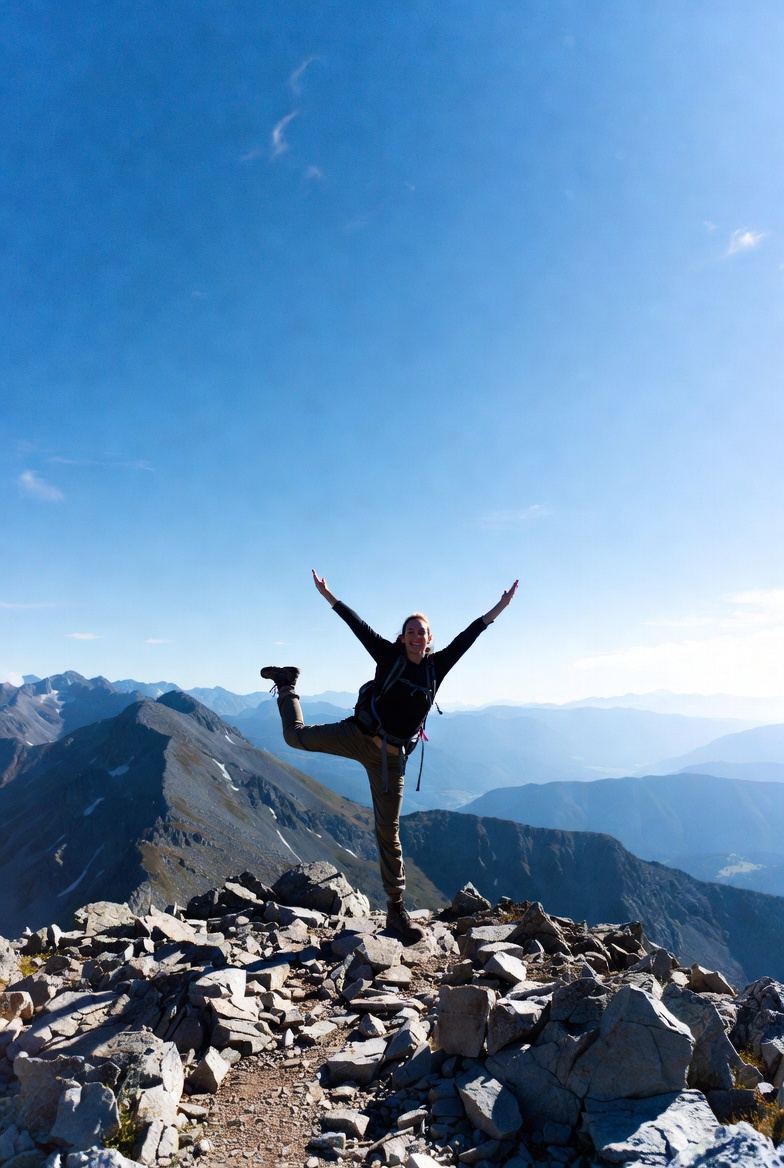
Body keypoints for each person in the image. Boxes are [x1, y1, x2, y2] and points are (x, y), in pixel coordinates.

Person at [261, 569, 518, 943]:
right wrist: (328, 596)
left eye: (422, 632)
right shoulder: (388, 654)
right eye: (410, 631)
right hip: (359, 735)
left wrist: (501, 606)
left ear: (430, 640)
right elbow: (358, 625)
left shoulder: (437, 666)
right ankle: (287, 684)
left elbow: (471, 634)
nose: (416, 636)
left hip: (393, 759)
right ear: (403, 638)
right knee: (294, 737)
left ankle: (395, 913)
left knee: (388, 831)